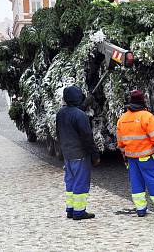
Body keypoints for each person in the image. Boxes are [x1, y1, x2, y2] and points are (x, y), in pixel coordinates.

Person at [117, 90, 154, 217]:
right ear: (143, 101)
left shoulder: (123, 118)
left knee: (136, 183)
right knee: (153, 181)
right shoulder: (146, 116)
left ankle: (141, 209)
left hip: (131, 158)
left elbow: (120, 141)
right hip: (146, 158)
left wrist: (124, 156)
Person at [56, 86, 100, 220]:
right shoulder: (81, 116)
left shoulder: (61, 113)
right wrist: (94, 155)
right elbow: (87, 137)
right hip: (80, 154)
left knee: (70, 182)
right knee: (81, 182)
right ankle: (79, 212)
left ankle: (70, 209)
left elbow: (59, 132)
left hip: (68, 155)